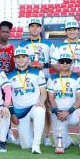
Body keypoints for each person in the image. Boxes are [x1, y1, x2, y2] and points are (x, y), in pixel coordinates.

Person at [47, 52, 80, 156]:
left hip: (72, 112)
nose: (65, 63)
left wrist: (68, 112)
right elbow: (51, 98)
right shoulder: (52, 78)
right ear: (58, 63)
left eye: (68, 61)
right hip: (58, 113)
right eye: (62, 61)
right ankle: (69, 140)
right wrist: (57, 112)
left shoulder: (78, 79)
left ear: (71, 63)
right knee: (62, 145)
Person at [20, 17, 54, 147]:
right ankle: (30, 134)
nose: (34, 28)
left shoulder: (48, 43)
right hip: (28, 80)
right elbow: (19, 61)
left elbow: (55, 62)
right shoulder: (23, 44)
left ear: (41, 28)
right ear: (29, 28)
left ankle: (46, 135)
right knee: (29, 108)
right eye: (32, 26)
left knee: (45, 109)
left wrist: (43, 65)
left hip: (44, 79)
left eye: (37, 26)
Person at [7, 47, 46, 154]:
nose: (21, 59)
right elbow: (8, 97)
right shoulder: (9, 76)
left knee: (40, 111)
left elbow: (43, 92)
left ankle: (36, 144)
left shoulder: (38, 73)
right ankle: (31, 140)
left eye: (23, 57)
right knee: (25, 145)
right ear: (14, 59)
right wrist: (12, 113)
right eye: (18, 57)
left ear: (28, 59)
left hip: (33, 106)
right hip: (20, 112)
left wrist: (41, 102)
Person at [0, 20, 18, 145]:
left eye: (7, 32)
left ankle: (9, 132)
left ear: (10, 33)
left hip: (9, 80)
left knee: (8, 106)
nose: (5, 34)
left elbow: (16, 65)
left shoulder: (13, 48)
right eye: (3, 31)